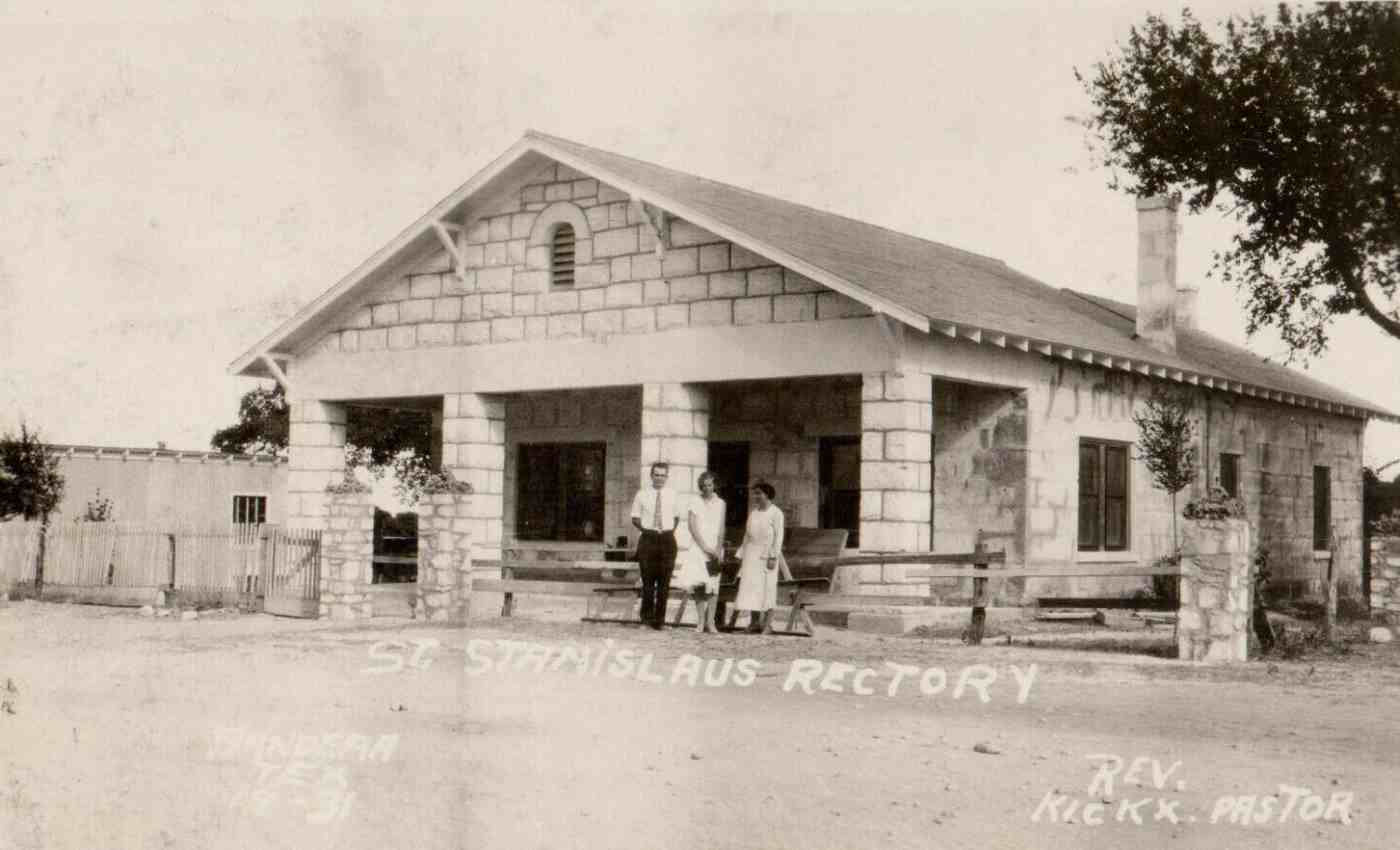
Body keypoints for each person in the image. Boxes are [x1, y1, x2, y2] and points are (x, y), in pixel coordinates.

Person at [630, 461, 680, 630]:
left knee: (664, 584)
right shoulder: (642, 494)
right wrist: (648, 530)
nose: (659, 478)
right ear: (651, 476)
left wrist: (666, 531)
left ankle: (660, 622)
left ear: (667, 477)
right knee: (648, 583)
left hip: (667, 540)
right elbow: (635, 518)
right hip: (648, 539)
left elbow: (676, 517)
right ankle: (646, 620)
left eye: (662, 475)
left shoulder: (673, 494)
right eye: (656, 475)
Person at [674, 471, 726, 633]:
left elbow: (721, 527)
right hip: (699, 548)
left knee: (713, 586)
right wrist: (705, 548)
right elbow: (692, 526)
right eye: (703, 486)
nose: (707, 488)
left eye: (710, 485)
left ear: (714, 485)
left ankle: (711, 622)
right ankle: (700, 621)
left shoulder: (721, 503)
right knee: (699, 585)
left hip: (715, 548)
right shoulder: (695, 501)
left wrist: (717, 549)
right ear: (700, 487)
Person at [733, 481, 787, 634]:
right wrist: (741, 554)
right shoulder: (753, 512)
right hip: (751, 555)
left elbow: (779, 537)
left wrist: (773, 556)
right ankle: (754, 623)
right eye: (754, 493)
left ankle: (767, 625)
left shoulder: (776, 513)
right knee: (752, 591)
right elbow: (747, 535)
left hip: (766, 556)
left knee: (767, 589)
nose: (755, 496)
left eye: (759, 493)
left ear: (767, 495)